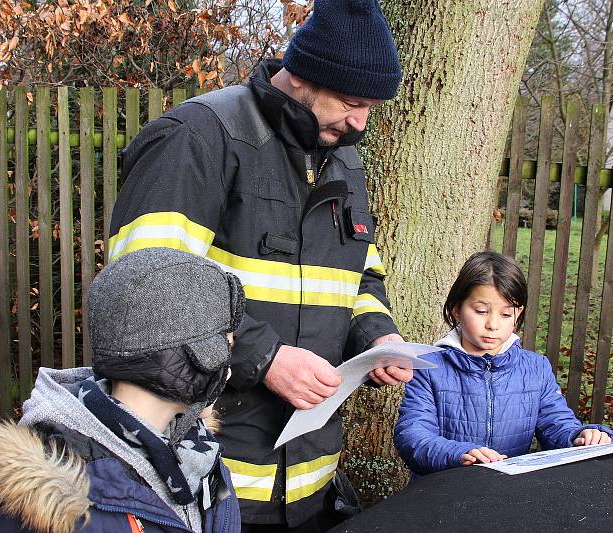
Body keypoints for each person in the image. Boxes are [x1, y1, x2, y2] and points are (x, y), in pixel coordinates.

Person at [105, 0, 411, 530]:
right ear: (306, 76)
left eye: (371, 107)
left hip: (313, 481)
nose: (361, 122)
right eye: (351, 102)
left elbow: (360, 275)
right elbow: (147, 291)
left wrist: (377, 338)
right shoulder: (199, 137)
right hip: (205, 477)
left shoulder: (342, 157)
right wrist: (265, 358)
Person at [0, 248, 245, 532]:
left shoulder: (199, 457)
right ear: (178, 356)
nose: (228, 371)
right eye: (225, 349)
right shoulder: (49, 503)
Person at [393, 252, 613, 476]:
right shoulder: (428, 367)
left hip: (509, 495)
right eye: (481, 311)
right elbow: (413, 436)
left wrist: (580, 436)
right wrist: (459, 453)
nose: (493, 324)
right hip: (442, 495)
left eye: (506, 314)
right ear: (456, 309)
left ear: (518, 314)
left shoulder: (536, 368)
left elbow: (556, 423)